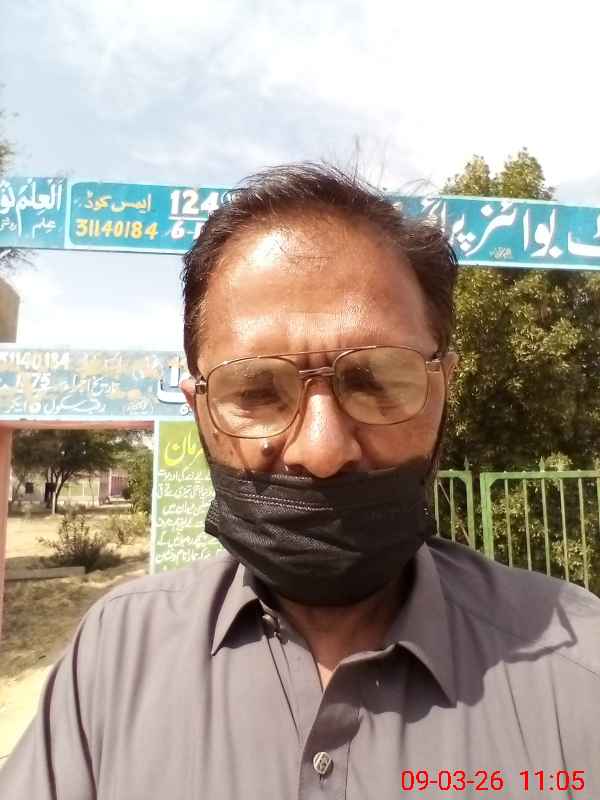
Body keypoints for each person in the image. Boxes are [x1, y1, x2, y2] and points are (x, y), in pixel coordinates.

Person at [2, 164, 599, 799]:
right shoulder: (114, 658)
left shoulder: (579, 670)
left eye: (376, 381)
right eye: (257, 391)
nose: (322, 449)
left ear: (442, 387)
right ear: (199, 409)